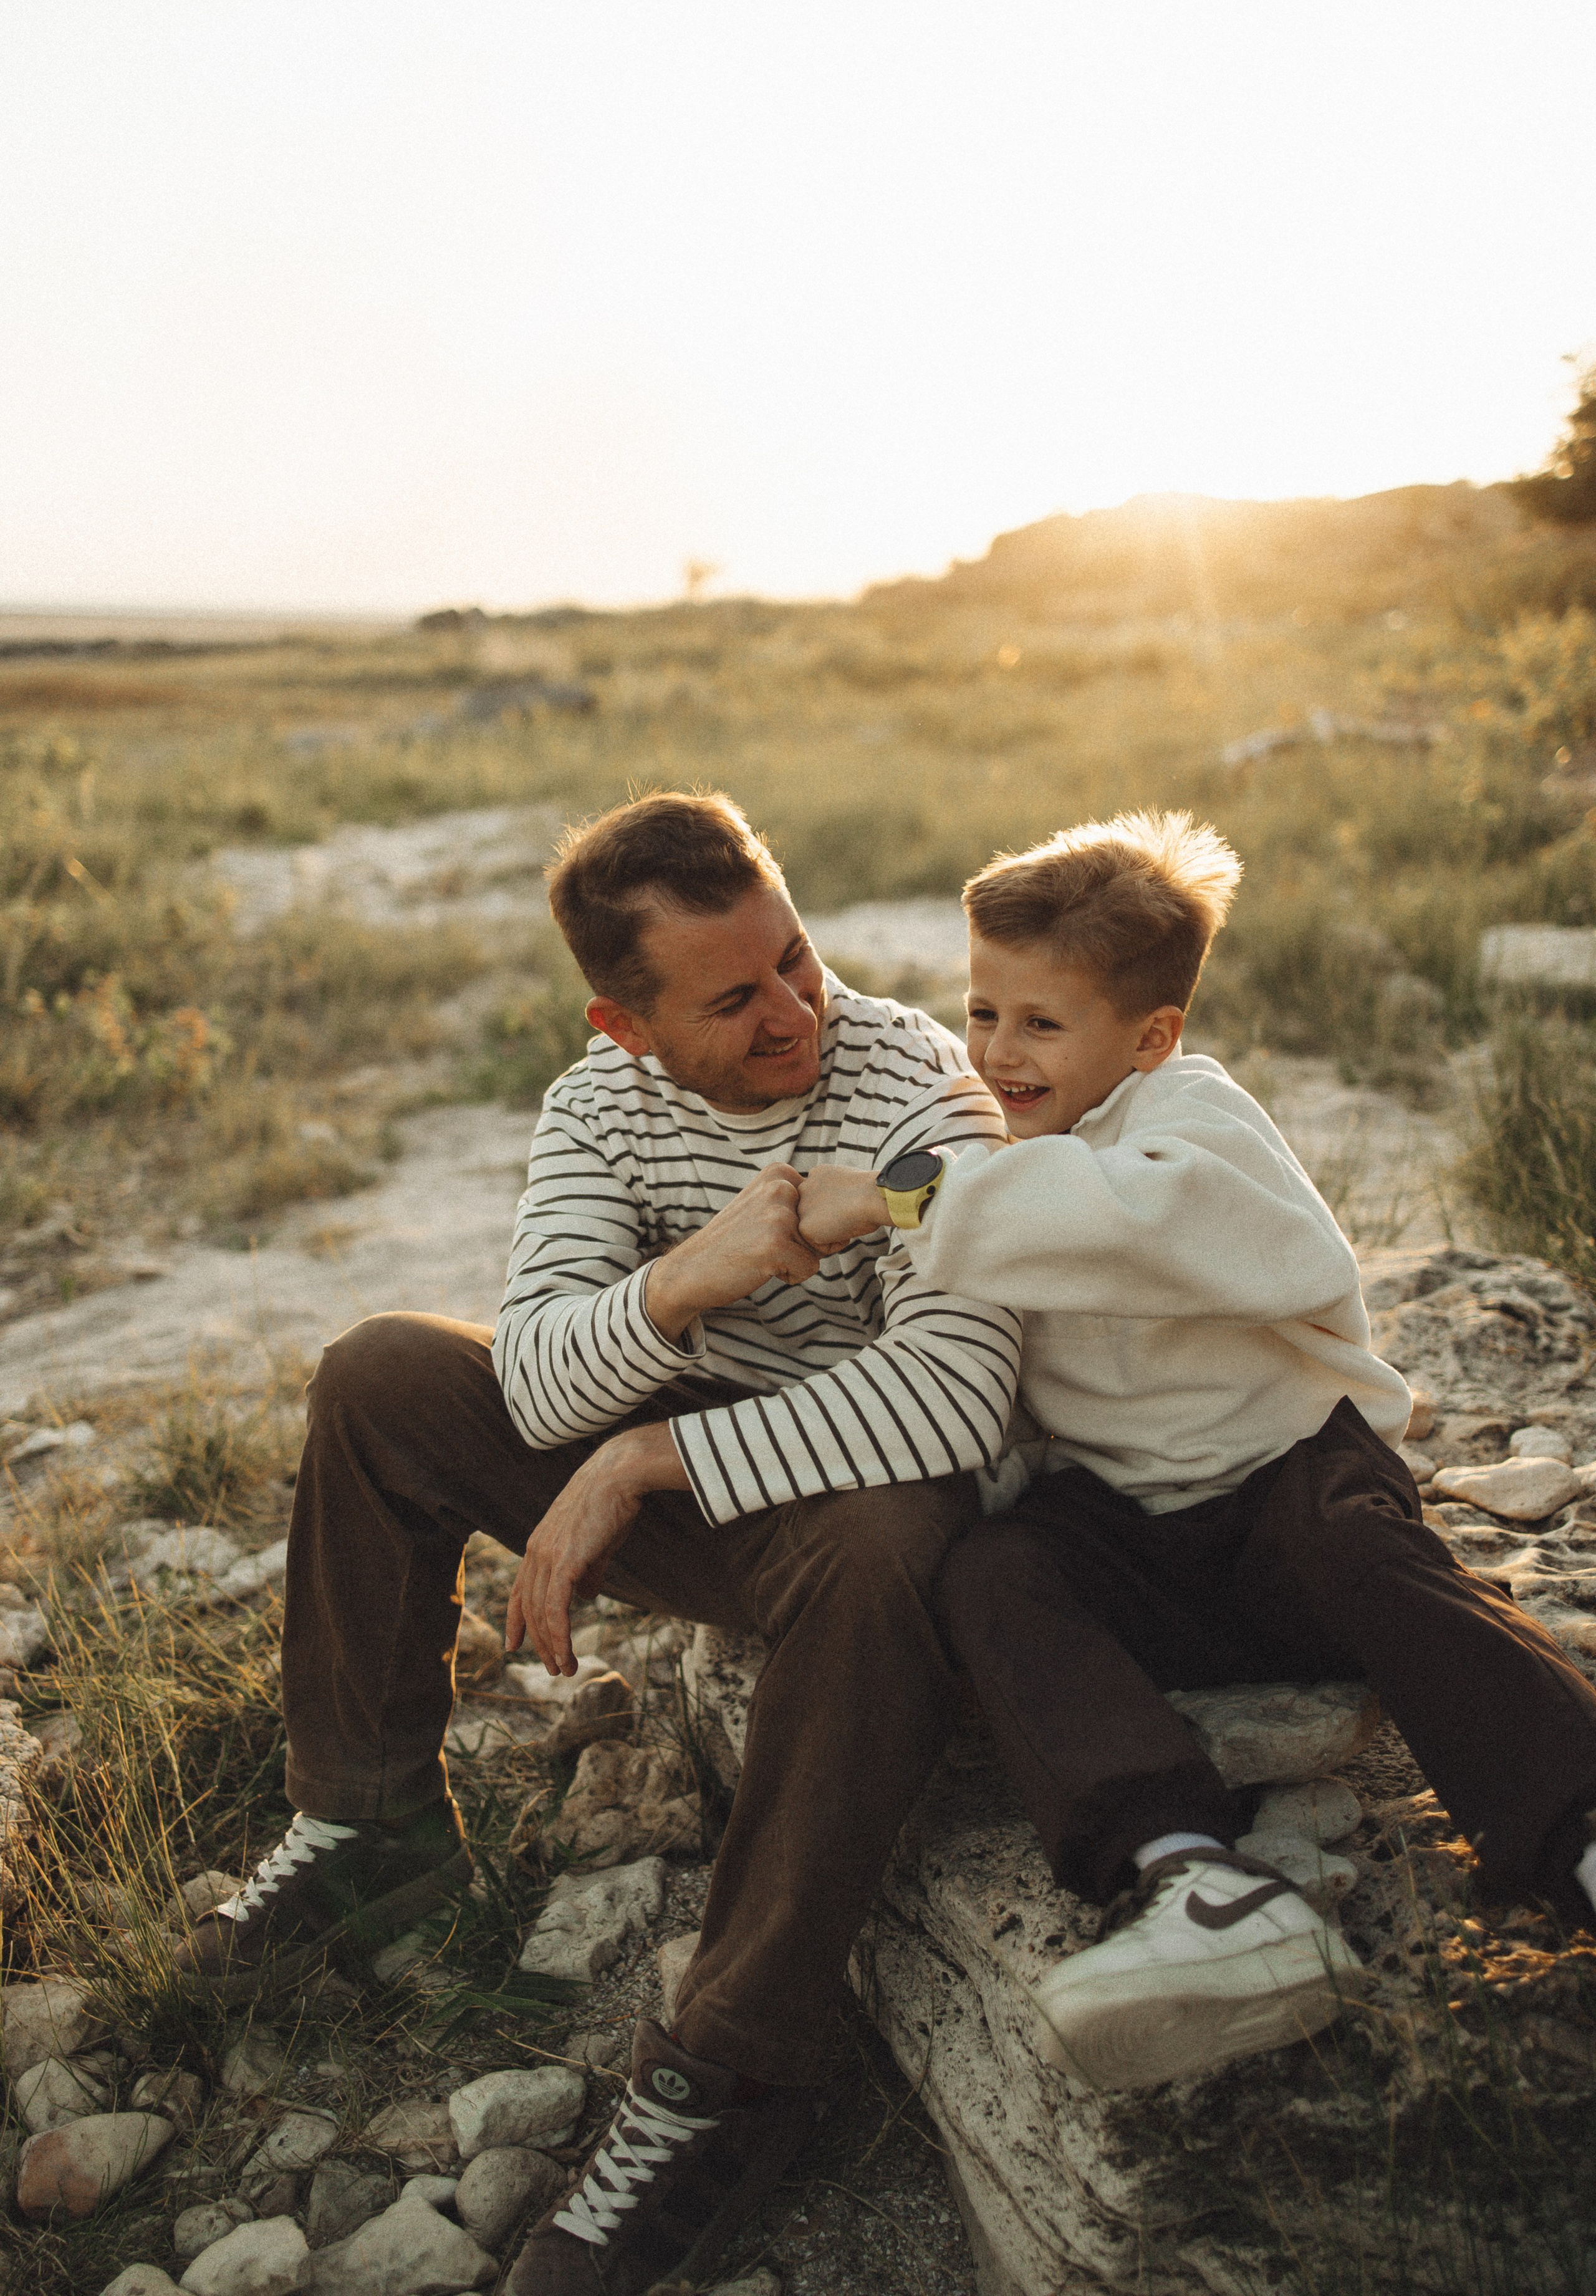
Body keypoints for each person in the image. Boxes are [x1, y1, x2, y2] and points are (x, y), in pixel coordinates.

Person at [178, 789, 1021, 2296]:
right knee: (383, 1366)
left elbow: (954, 1404)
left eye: (796, 960)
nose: (792, 1013)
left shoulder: (922, 1096)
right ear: (624, 1024)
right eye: (733, 997)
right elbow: (535, 1371)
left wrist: (645, 1455)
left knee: (900, 1534)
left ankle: (732, 2068)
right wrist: (690, 1280)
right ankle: (371, 1827)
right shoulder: (597, 1105)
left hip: (855, 1515)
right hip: (718, 1487)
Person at [797, 808, 1596, 2093]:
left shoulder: (1192, 1118)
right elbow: (999, 1389)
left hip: (1288, 1491)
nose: (997, 1051)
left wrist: (909, 1203)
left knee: (1365, 1545)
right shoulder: (990, 1163)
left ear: (1149, 1036)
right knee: (995, 1572)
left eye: (1039, 1024)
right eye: (981, 1011)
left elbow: (1167, 1225)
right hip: (1133, 1543)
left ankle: (1569, 1822)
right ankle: (1195, 1881)